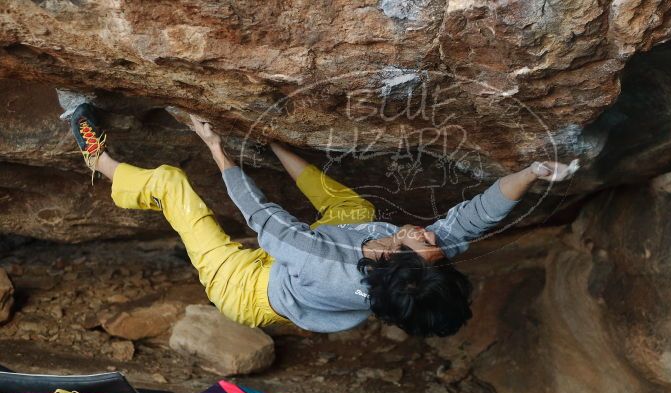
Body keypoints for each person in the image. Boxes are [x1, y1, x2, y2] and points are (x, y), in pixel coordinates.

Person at [70, 103, 574, 337]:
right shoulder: (418, 264)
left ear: (391, 260)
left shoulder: (330, 264)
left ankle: (99, 162)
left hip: (244, 287)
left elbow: (263, 217)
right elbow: (473, 218)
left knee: (172, 185)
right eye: (432, 244)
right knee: (359, 213)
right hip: (297, 266)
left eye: (419, 242)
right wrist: (533, 170)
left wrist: (216, 145)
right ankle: (274, 143)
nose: (427, 233)